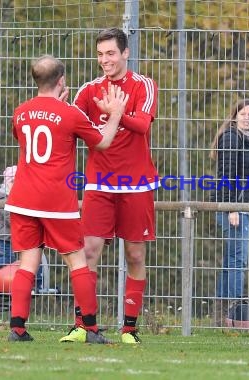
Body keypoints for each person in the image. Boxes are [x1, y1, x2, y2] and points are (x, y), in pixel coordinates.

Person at [5, 54, 128, 343]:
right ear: (62, 81)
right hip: (56, 202)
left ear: (35, 80)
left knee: (27, 263)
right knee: (78, 261)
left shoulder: (20, 112)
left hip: (22, 199)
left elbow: (25, 135)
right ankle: (91, 328)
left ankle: (18, 327)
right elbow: (103, 142)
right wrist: (117, 114)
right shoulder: (70, 113)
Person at [60, 28, 158, 344]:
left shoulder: (144, 86)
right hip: (98, 183)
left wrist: (117, 113)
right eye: (101, 54)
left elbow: (142, 125)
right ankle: (83, 325)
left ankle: (129, 328)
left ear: (125, 53)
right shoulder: (89, 91)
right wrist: (57, 108)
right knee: (88, 251)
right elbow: (68, 124)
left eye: (111, 53)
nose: (105, 60)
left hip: (136, 184)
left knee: (135, 255)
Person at [209, 99, 249, 327]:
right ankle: (233, 313)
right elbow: (227, 176)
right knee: (237, 260)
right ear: (234, 115)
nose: (247, 117)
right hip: (232, 209)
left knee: (232, 260)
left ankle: (223, 318)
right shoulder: (231, 137)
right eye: (243, 113)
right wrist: (232, 208)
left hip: (243, 211)